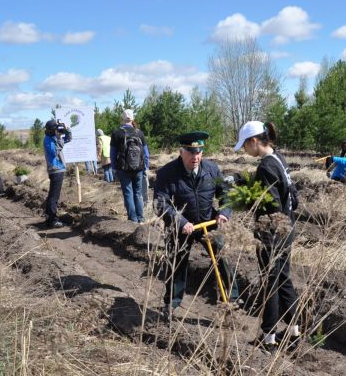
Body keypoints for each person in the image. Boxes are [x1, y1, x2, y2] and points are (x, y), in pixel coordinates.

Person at [154, 131, 239, 316]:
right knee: (176, 263)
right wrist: (181, 221)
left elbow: (226, 193)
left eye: (199, 152)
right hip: (181, 226)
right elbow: (161, 203)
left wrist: (224, 213)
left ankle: (231, 300)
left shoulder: (212, 170)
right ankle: (172, 304)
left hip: (208, 222)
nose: (195, 157)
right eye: (191, 152)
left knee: (223, 258)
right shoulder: (167, 173)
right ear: (181, 151)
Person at [234, 121, 300, 353]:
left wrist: (249, 199)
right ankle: (294, 333)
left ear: (254, 141)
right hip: (287, 227)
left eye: (244, 145)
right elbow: (290, 196)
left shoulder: (265, 167)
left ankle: (269, 338)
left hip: (273, 233)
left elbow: (270, 207)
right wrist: (250, 184)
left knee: (271, 283)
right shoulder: (279, 159)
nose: (244, 150)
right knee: (283, 280)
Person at [110, 109, 149, 223]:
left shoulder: (117, 133)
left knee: (128, 192)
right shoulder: (139, 133)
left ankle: (133, 219)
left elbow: (112, 153)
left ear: (122, 119)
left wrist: (114, 167)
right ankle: (141, 218)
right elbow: (146, 153)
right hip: (139, 168)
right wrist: (145, 167)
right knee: (138, 193)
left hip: (123, 168)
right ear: (132, 119)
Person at [43, 119, 72, 228]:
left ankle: (49, 217)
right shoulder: (48, 139)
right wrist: (59, 138)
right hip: (55, 169)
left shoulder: (54, 137)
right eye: (56, 128)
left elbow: (69, 138)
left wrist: (67, 129)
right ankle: (53, 220)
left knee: (52, 195)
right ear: (51, 130)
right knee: (54, 196)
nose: (57, 130)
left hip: (58, 169)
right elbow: (55, 152)